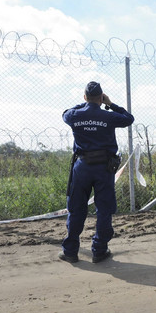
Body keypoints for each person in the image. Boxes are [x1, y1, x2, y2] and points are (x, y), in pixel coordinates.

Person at [59, 81, 134, 263]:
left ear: (84, 97)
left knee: (76, 209)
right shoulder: (108, 116)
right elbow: (128, 118)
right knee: (104, 210)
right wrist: (109, 104)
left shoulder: (75, 115)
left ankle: (70, 251)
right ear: (101, 97)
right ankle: (99, 250)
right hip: (104, 168)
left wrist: (86, 105)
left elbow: (65, 113)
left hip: (82, 167)